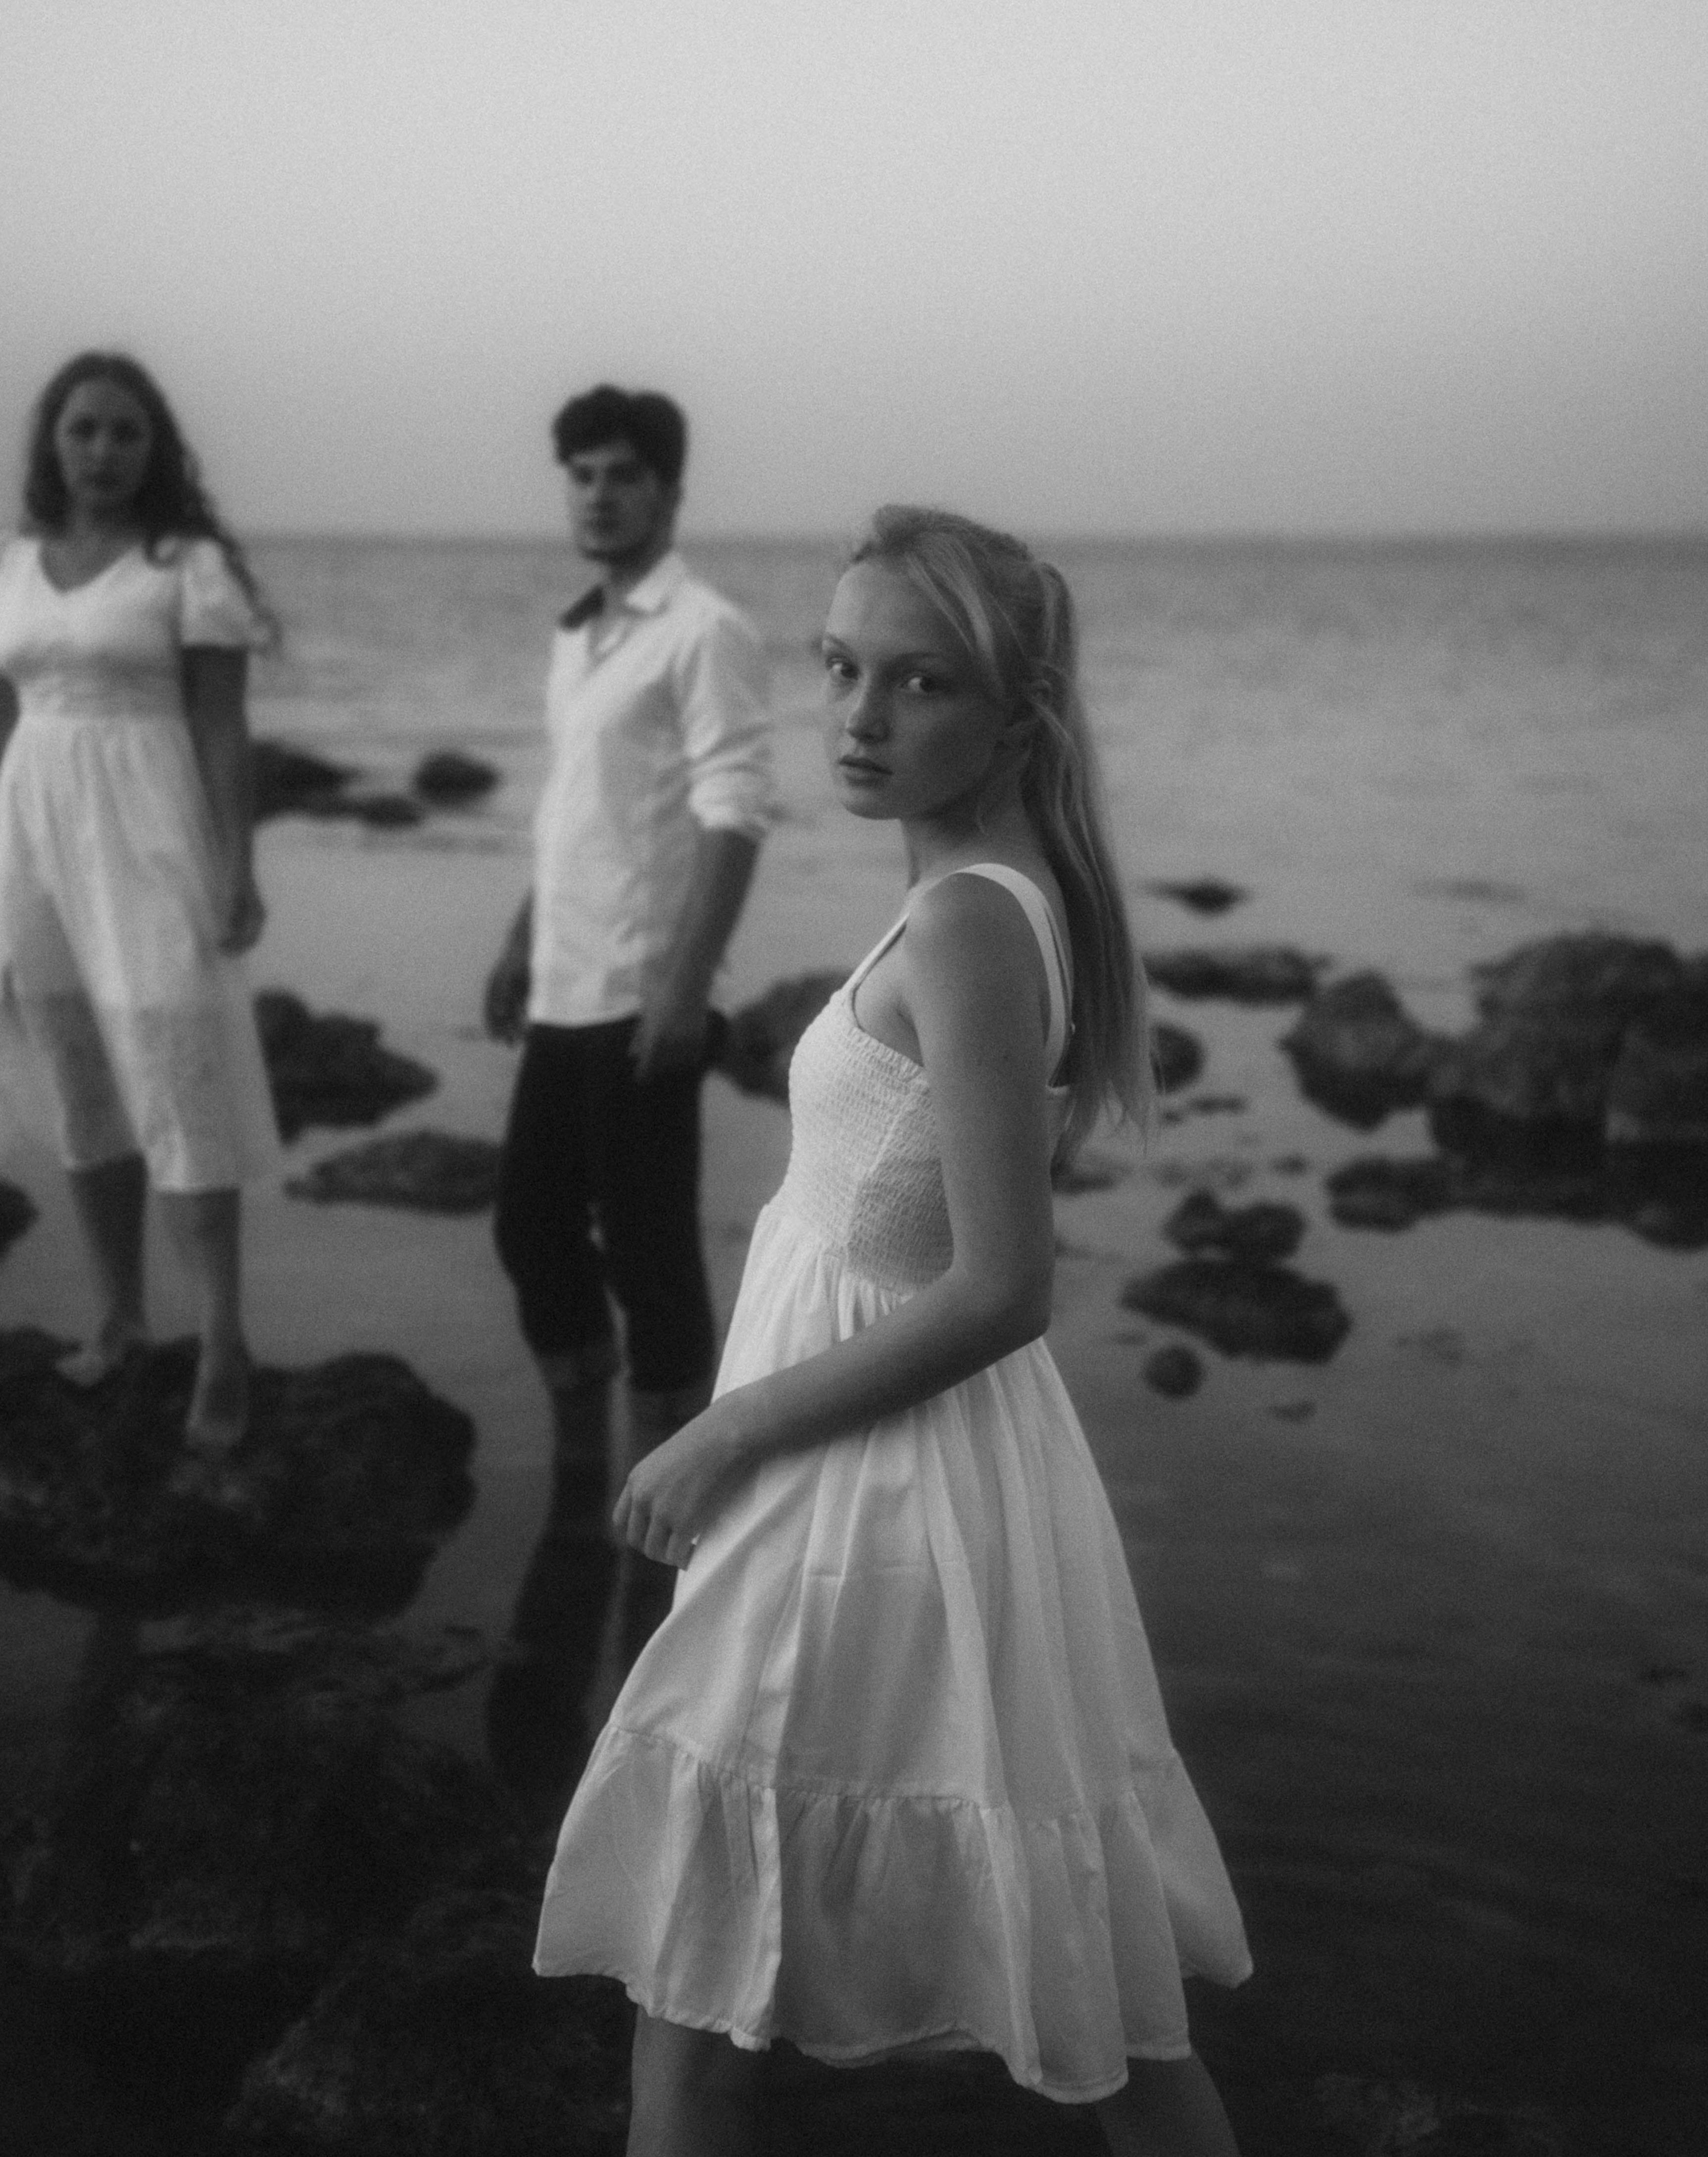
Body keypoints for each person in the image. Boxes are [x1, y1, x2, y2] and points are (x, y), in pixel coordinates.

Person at [533, 506, 1252, 2156]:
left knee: (711, 1975)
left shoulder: (970, 922)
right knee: (1062, 1999)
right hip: (878, 1468)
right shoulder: (971, 899)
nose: (858, 716)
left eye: (916, 682)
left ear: (1014, 720)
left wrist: (727, 1427)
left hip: (868, 1487)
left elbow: (1005, 1284)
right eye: (843, 666)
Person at [484, 384, 772, 1685]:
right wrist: (513, 937)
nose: (597, 493)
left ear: (667, 492)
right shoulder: (581, 634)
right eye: (581, 474)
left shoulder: (701, 631)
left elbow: (734, 811)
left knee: (654, 1256)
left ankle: (672, 1537)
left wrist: (685, 988)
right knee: (530, 1228)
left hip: (646, 999)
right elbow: (579, 813)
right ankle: (586, 1469)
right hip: (564, 985)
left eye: (621, 474)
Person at [0, 351, 279, 1460]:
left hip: (150, 829)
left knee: (179, 1076)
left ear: (153, 446)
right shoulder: (16, 565)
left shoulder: (188, 565)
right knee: (76, 1075)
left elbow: (220, 724)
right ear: (52, 443)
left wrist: (237, 864)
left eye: (125, 432)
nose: (104, 451)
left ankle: (222, 1337)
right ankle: (119, 1313)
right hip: (31, 835)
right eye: (84, 431)